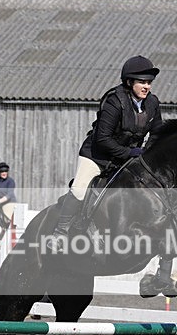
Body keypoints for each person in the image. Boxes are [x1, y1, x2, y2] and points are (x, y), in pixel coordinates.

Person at [46, 55, 162, 252]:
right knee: (80, 188)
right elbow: (103, 139)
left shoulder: (152, 103)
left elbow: (157, 132)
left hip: (128, 158)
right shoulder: (114, 102)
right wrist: (129, 152)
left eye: (149, 82)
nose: (147, 86)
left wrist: (149, 154)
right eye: (142, 82)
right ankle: (60, 233)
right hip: (98, 155)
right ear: (129, 82)